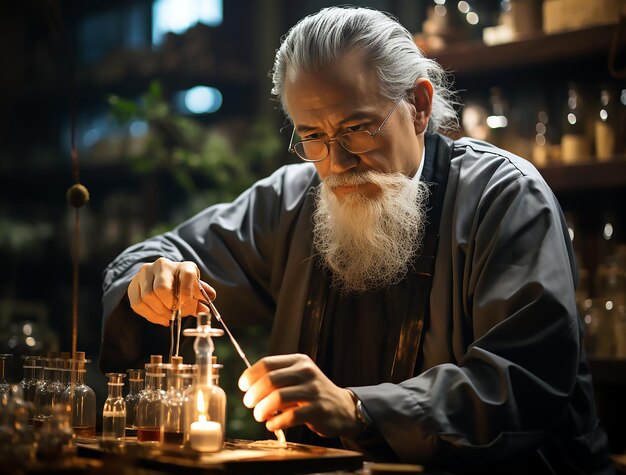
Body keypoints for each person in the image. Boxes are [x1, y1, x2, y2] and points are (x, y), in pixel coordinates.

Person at [100, 6, 613, 474]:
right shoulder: (292, 199)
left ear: (417, 104)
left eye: (357, 129)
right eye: (314, 137)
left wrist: (356, 408)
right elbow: (150, 257)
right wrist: (151, 280)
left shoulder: (503, 198)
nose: (338, 163)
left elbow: (520, 383)